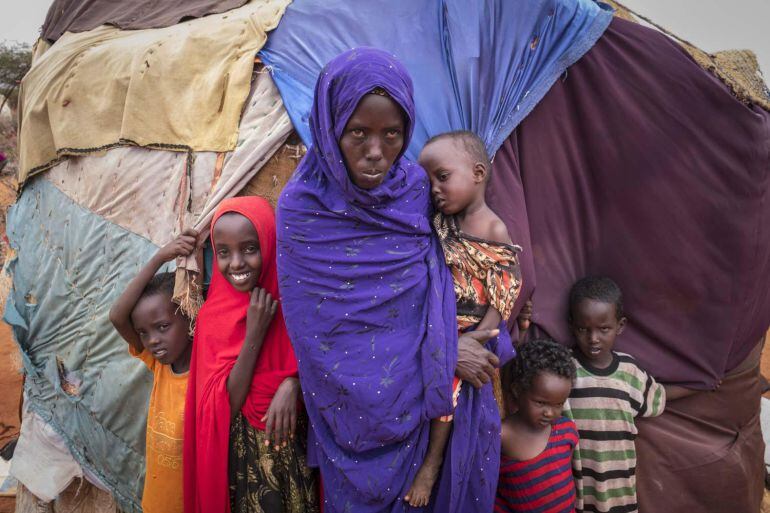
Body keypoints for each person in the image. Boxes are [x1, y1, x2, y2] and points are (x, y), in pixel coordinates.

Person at [276, 48, 501, 513]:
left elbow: (454, 278)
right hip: (349, 414)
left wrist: (451, 345)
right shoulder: (301, 210)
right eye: (358, 133)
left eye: (392, 134)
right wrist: (443, 356)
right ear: (330, 123)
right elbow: (317, 333)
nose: (376, 152)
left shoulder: (417, 191)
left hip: (424, 409)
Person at [405, 131, 522, 508]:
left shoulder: (493, 229)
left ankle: (432, 462)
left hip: (472, 328)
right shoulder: (439, 223)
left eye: (442, 177)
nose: (435, 189)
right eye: (428, 182)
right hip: (440, 322)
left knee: (450, 385)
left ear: (477, 173)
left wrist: (481, 336)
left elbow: (506, 287)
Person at [183, 197, 318, 513]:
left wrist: (293, 384)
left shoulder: (297, 305)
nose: (237, 263)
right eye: (224, 253)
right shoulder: (212, 318)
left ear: (270, 245)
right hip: (243, 466)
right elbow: (223, 405)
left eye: (249, 248)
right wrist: (255, 334)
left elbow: (326, 370)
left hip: (299, 460)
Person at [565, 276, 694, 513]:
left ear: (620, 326)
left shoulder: (629, 371)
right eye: (583, 329)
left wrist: (696, 387)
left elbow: (659, 396)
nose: (593, 338)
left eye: (604, 329)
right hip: (578, 487)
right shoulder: (565, 368)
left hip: (619, 489)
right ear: (572, 325)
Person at [108, 230, 197, 513]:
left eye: (162, 327)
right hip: (156, 503)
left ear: (189, 315)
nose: (153, 340)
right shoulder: (160, 365)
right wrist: (159, 257)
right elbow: (117, 317)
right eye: (144, 333)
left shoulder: (204, 373)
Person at [496, 339, 578, 512]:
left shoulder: (566, 430)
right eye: (541, 403)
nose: (549, 413)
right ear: (518, 390)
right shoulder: (501, 436)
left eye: (558, 404)